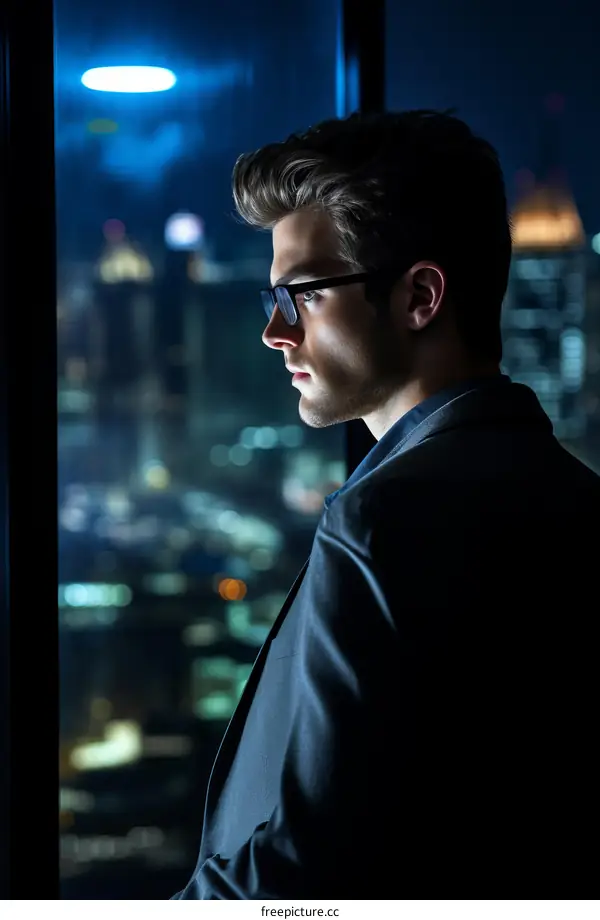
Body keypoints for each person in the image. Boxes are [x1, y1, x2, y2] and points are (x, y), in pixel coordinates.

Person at [172, 110, 599, 898]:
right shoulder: (576, 498)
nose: (275, 331)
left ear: (420, 297)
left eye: (302, 295)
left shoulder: (384, 522)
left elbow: (310, 871)